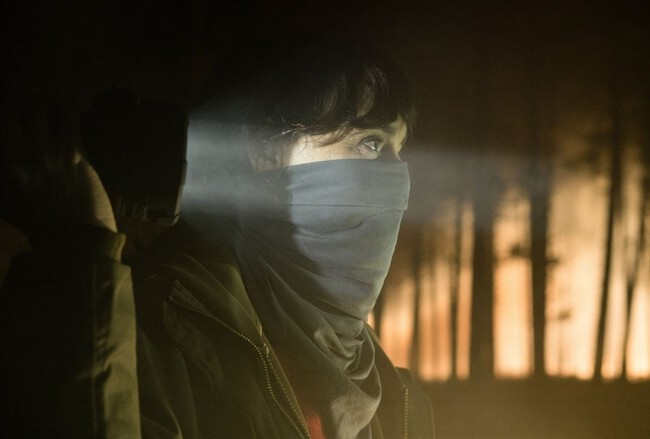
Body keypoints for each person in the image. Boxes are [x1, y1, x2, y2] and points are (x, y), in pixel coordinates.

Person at [0, 39, 434, 438]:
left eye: (400, 150)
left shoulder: (396, 397)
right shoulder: (152, 332)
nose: (398, 177)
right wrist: (79, 260)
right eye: (370, 144)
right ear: (265, 152)